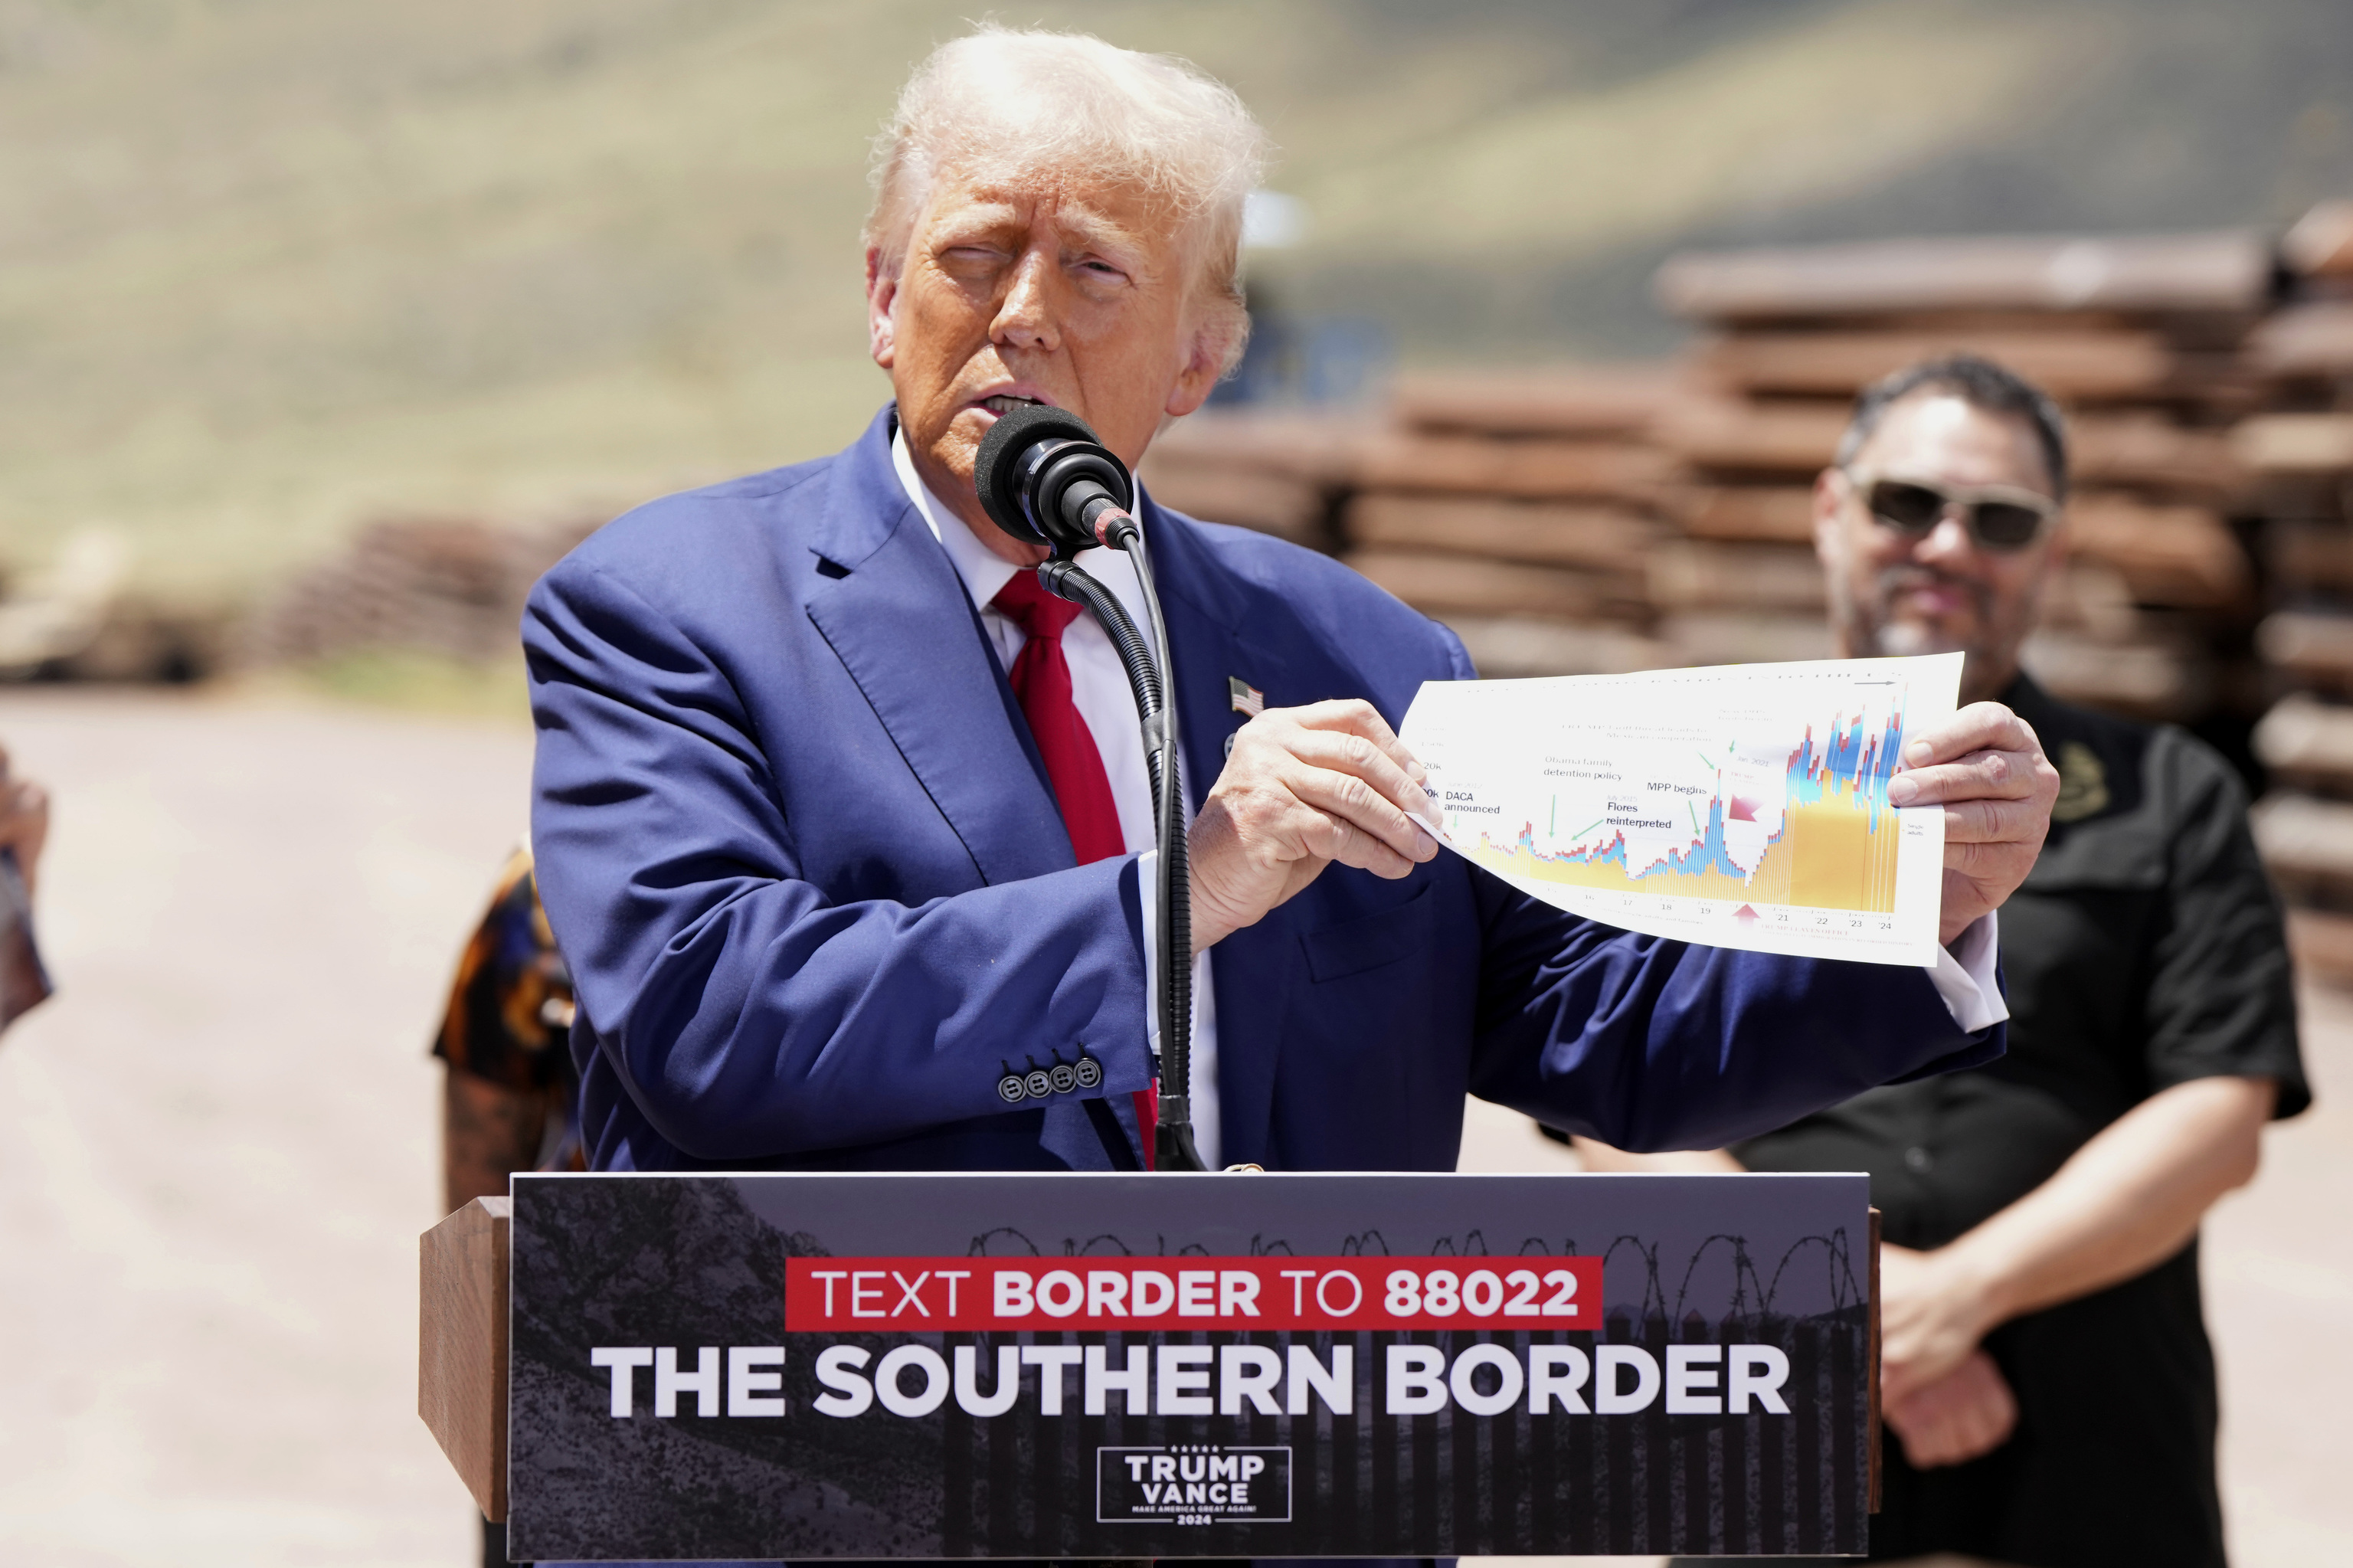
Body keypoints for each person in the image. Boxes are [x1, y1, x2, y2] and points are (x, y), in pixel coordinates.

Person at [522, 29, 2057, 1190]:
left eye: (1096, 272)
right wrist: (1184, 898)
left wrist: (1916, 907)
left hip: (1298, 1489)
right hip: (848, 1485)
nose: (1022, 316)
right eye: (972, 256)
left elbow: (1591, 1031)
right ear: (879, 298)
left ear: (1202, 357)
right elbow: (718, 1025)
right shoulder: (674, 610)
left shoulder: (1365, 657)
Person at [1579, 355, 2309, 1568]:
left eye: (2002, 520)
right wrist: (1837, 1307)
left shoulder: (2173, 796)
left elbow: (2218, 1111)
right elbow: (1608, 1094)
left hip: (2087, 1430)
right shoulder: (1686, 778)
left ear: (2053, 557)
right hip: (1775, 1393)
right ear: (1831, 513)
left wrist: (1950, 1299)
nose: (1949, 545)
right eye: (1907, 504)